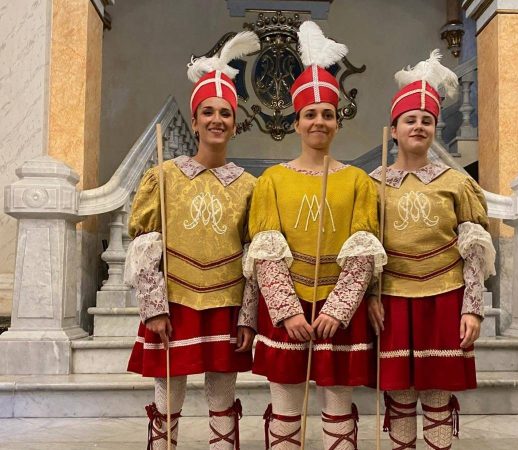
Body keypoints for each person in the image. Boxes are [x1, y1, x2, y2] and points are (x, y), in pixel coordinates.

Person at [243, 21, 387, 450]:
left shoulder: (359, 181)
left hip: (337, 314)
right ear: (297, 121)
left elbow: (363, 250)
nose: (319, 121)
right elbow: (265, 250)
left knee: (338, 413)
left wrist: (339, 309)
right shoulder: (271, 180)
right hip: (287, 312)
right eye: (310, 114)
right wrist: (287, 310)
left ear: (336, 121)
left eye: (327, 114)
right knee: (286, 412)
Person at [124, 31, 261, 450]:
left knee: (222, 396)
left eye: (225, 112)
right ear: (196, 118)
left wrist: (248, 317)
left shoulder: (249, 185)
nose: (217, 119)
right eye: (208, 112)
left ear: (235, 123)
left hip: (226, 302)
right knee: (169, 395)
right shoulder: (163, 177)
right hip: (175, 301)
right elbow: (146, 245)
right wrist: (154, 308)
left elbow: (255, 257)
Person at [367, 50, 496, 450]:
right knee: (401, 395)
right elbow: (366, 248)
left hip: (444, 296)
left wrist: (472, 307)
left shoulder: (457, 184)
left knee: (438, 393)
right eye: (410, 120)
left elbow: (474, 249)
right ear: (394, 129)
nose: (418, 126)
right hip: (393, 299)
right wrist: (371, 294)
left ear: (434, 129)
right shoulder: (374, 184)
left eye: (427, 121)